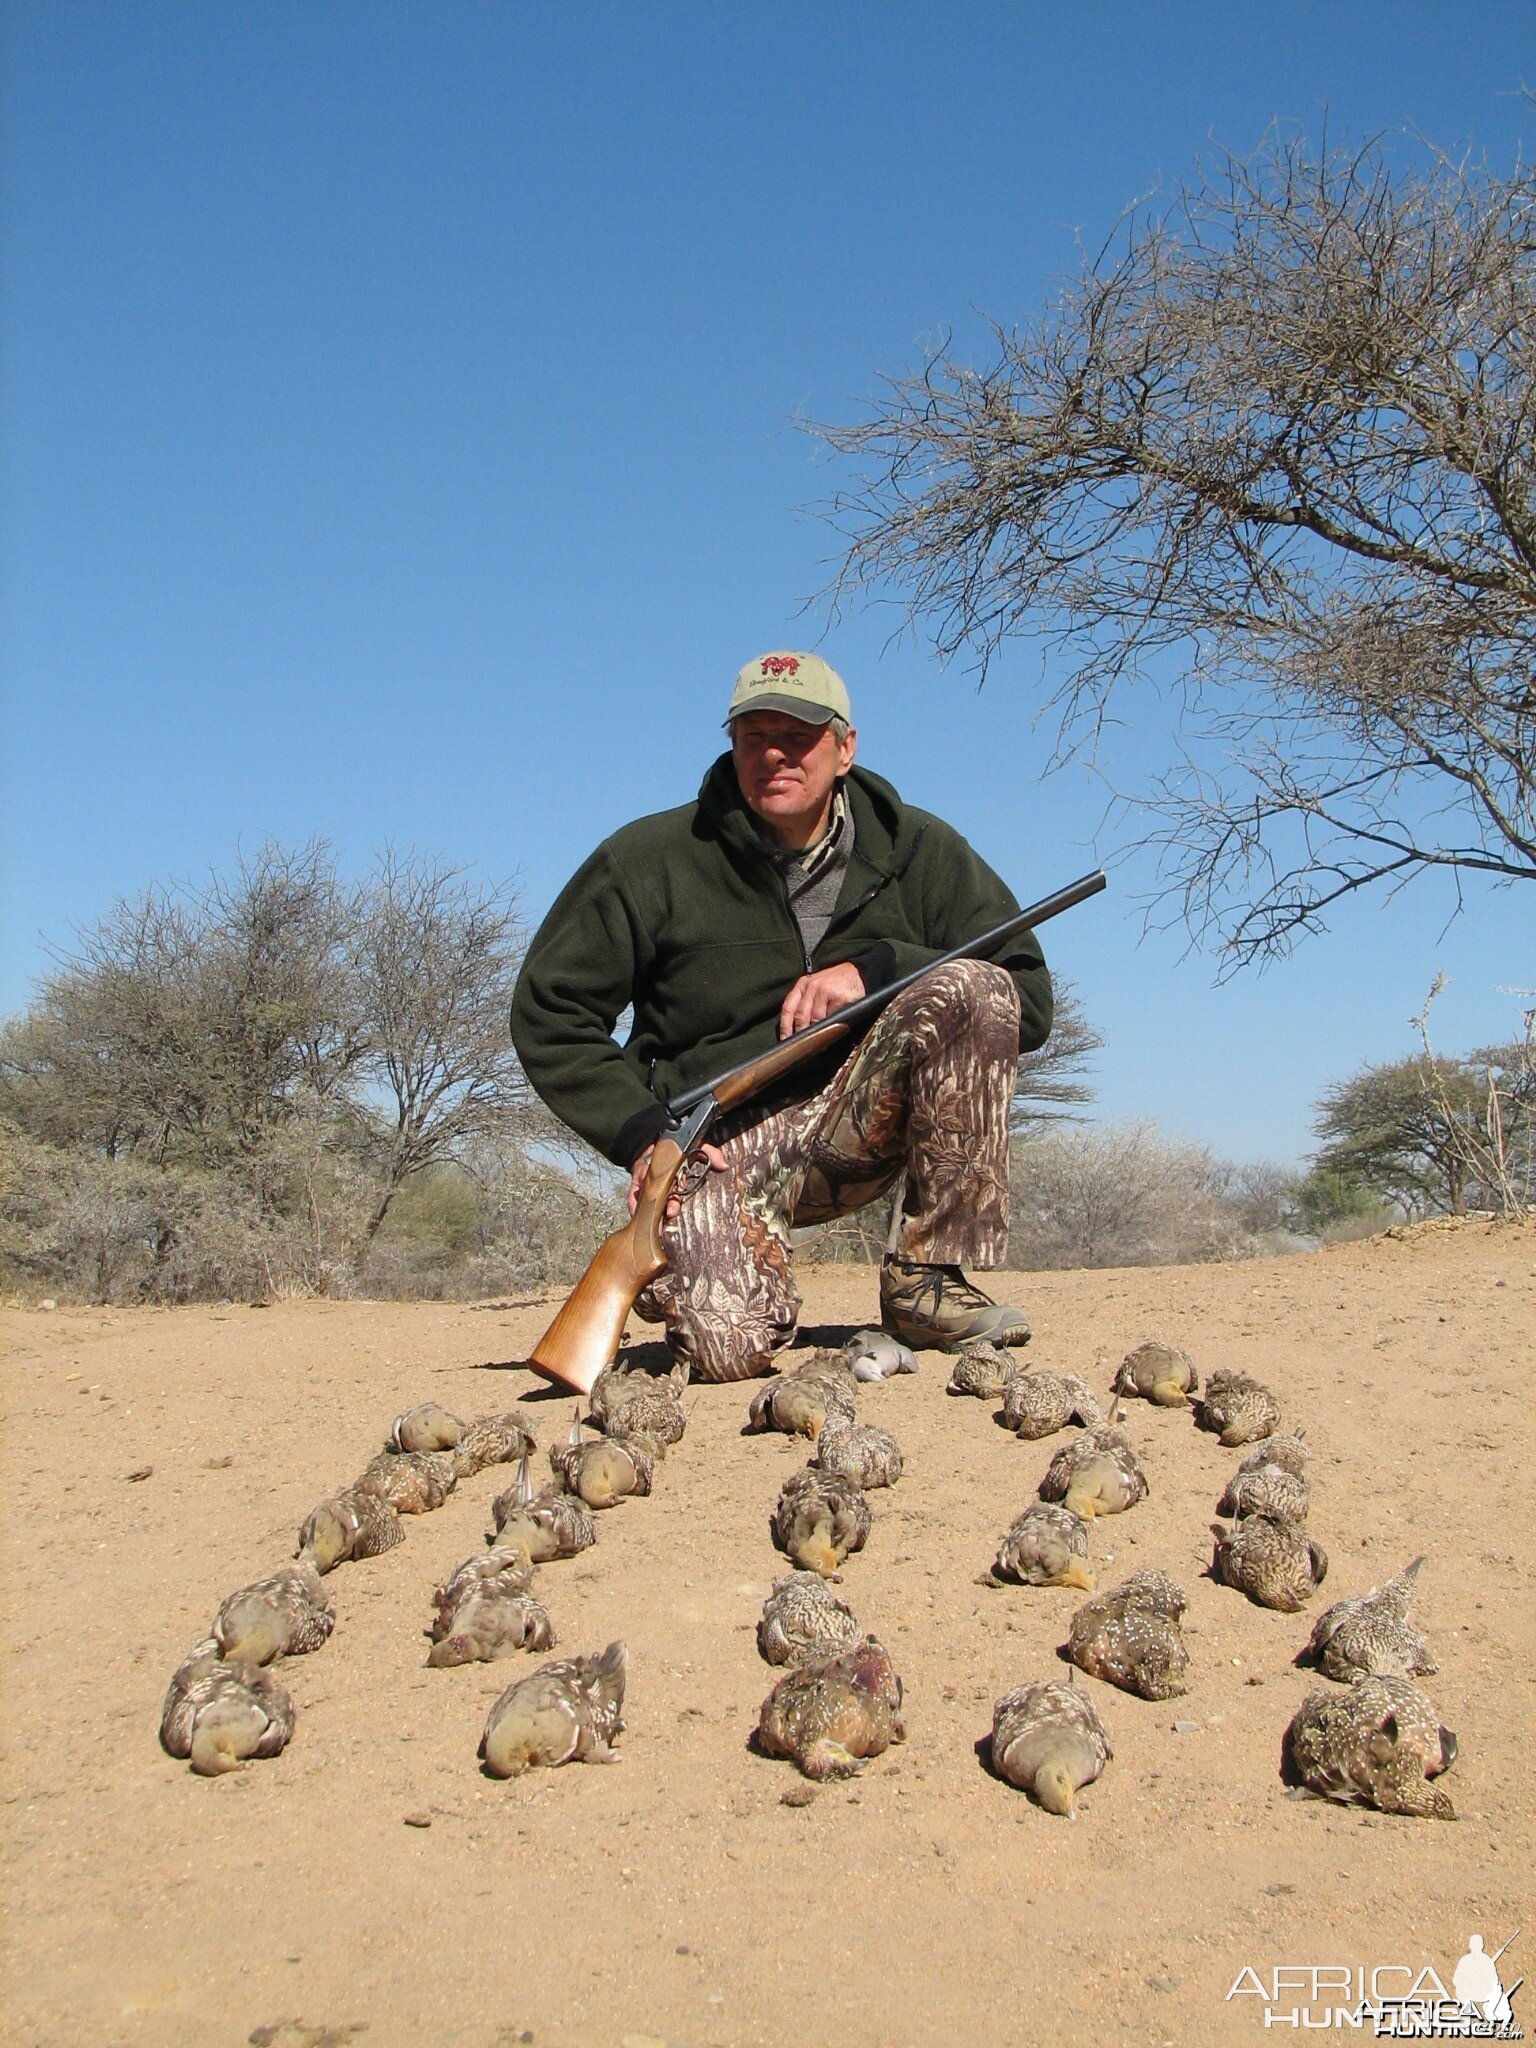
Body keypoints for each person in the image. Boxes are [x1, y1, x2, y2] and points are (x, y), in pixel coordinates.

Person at [509, 650, 1054, 1382]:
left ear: (845, 748)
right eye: (752, 735)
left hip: (858, 1123)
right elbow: (550, 1011)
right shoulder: (646, 858)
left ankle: (926, 1283)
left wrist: (879, 968)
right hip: (718, 1148)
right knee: (725, 1351)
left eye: (797, 736)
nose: (773, 754)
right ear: (731, 743)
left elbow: (1026, 995)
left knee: (974, 987)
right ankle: (685, 1265)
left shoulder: (922, 849)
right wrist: (641, 1135)